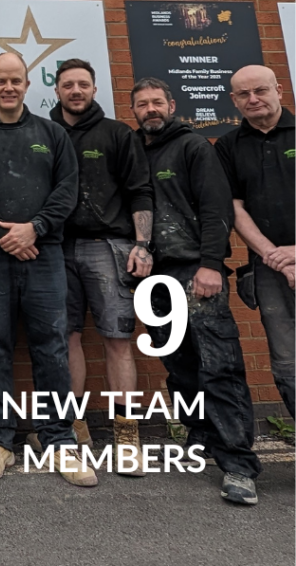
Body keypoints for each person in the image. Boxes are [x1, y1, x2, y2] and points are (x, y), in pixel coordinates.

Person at [0, 52, 96, 487]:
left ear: (28, 84)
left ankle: (58, 440)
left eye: (16, 80)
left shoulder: (51, 134)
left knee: (51, 347)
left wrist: (34, 229)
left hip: (44, 254)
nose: (9, 87)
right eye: (1, 80)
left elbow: (67, 190)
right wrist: (6, 236)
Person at [131, 77, 261, 505]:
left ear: (172, 105)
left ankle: (239, 463)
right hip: (155, 278)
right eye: (142, 105)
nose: (150, 110)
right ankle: (200, 436)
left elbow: (215, 207)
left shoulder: (192, 148)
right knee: (179, 365)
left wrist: (210, 264)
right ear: (134, 111)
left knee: (218, 364)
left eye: (157, 103)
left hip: (196, 271)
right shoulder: (134, 150)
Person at [47, 58, 154, 474]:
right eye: (68, 84)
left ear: (94, 90)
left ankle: (127, 437)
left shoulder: (117, 134)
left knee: (117, 339)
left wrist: (142, 245)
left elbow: (140, 192)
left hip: (108, 247)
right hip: (55, 248)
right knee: (67, 339)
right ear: (55, 89)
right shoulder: (45, 134)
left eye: (83, 85)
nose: (76, 91)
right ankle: (75, 431)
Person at [215, 65, 294, 418]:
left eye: (260, 90)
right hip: (268, 269)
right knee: (287, 362)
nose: (253, 99)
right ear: (233, 100)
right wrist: (272, 255)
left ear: (278, 89)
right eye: (244, 95)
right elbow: (234, 207)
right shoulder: (229, 146)